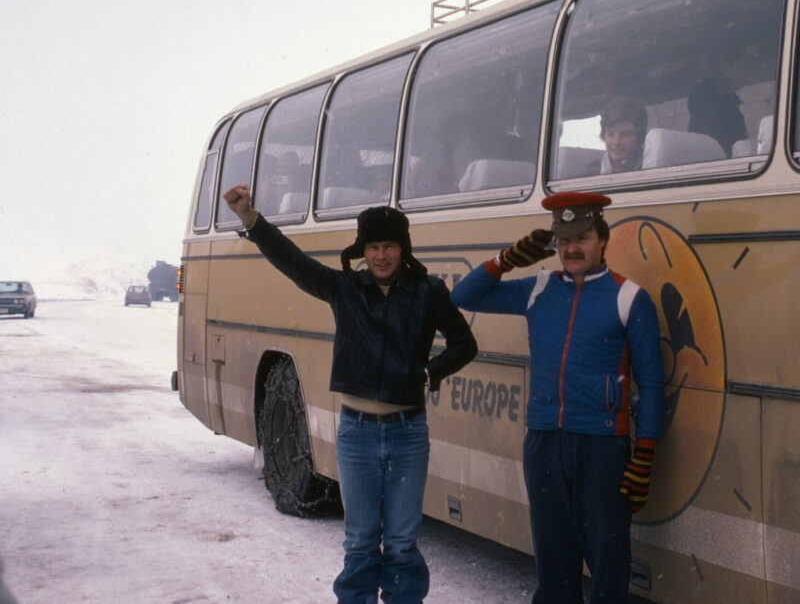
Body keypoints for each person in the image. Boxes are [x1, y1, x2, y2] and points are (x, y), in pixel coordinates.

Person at [222, 184, 477, 604]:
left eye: (389, 246)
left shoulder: (427, 290)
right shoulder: (344, 289)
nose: (381, 256)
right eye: (373, 247)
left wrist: (431, 372)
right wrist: (251, 219)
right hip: (356, 434)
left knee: (401, 542)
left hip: (407, 433)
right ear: (362, 249)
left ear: (403, 248)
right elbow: (294, 262)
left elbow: (464, 344)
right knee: (360, 540)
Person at [451, 191, 664, 604]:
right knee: (553, 568)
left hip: (602, 447)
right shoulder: (539, 288)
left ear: (602, 239)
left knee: (608, 567)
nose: (571, 248)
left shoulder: (629, 297)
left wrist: (645, 454)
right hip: (544, 441)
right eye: (563, 240)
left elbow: (652, 383)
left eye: (581, 237)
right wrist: (507, 260)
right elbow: (464, 297)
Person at [688, 47, 753, 155]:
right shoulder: (711, 109)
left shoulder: (727, 104)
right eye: (743, 67)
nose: (748, 73)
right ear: (726, 69)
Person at [584, 96, 648, 175]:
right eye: (610, 135)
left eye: (625, 135)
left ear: (639, 137)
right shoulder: (588, 176)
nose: (616, 142)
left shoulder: (653, 166)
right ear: (603, 136)